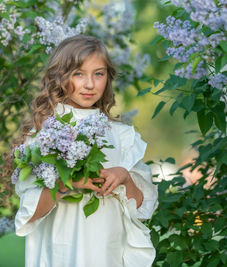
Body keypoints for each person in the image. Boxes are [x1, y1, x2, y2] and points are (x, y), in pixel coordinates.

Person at [9, 35, 158, 267]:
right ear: (59, 76)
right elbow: (30, 214)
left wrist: (125, 177)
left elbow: (142, 207)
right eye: (78, 73)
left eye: (98, 74)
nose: (90, 84)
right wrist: (70, 182)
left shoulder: (121, 136)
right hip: (62, 251)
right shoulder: (44, 135)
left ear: (107, 78)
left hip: (107, 252)